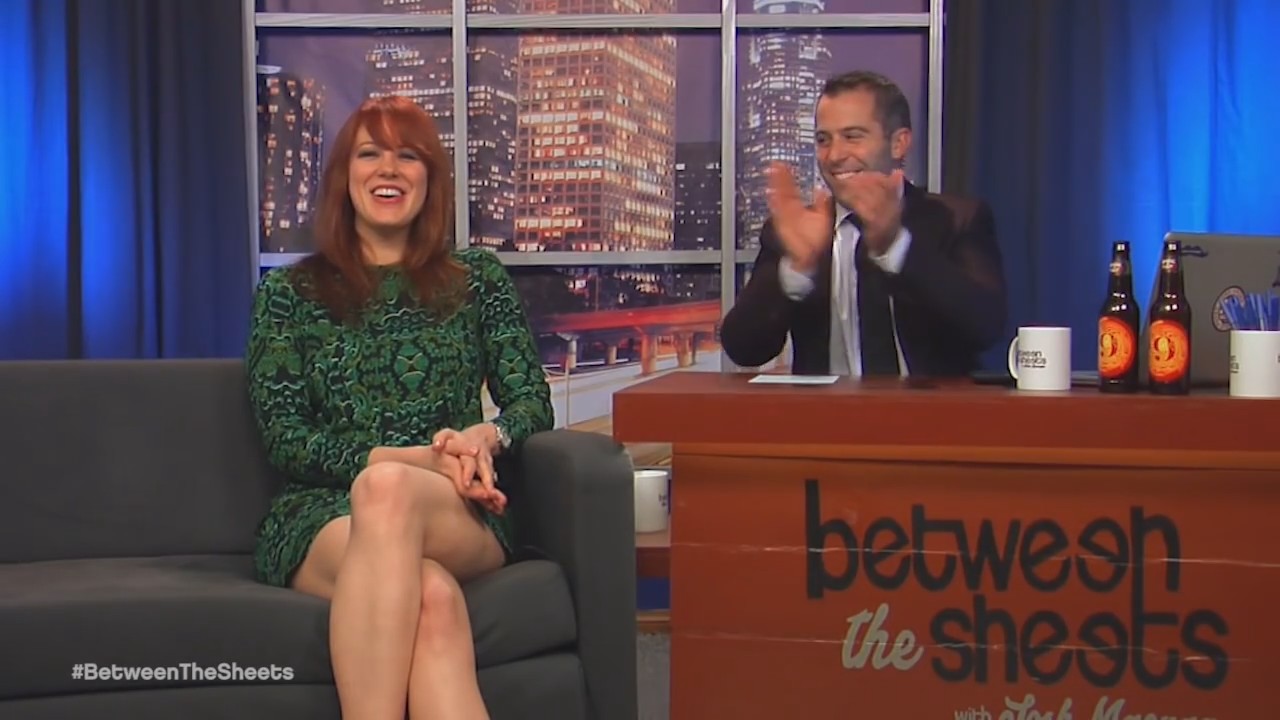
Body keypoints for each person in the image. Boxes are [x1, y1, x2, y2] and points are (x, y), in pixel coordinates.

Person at [245, 95, 554, 720]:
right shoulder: (288, 294)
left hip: (454, 508)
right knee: (431, 594)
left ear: (430, 179)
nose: (388, 169)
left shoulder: (477, 278)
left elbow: (530, 402)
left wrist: (485, 437)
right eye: (370, 154)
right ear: (344, 176)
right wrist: (413, 459)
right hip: (320, 516)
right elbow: (286, 439)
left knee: (388, 491)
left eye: (407, 156)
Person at [721, 70, 1007, 377]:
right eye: (823, 140)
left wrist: (896, 248)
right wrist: (796, 270)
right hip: (826, 408)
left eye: (852, 136)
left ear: (898, 143)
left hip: (925, 407)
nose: (834, 155)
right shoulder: (797, 230)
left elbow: (984, 327)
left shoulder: (956, 218)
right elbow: (744, 349)